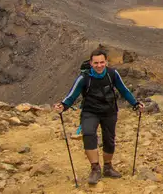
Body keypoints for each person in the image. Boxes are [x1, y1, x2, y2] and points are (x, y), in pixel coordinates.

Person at [53, 49, 144, 185]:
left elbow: (124, 90)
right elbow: (72, 95)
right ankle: (95, 168)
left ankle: (107, 167)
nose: (99, 65)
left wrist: (135, 103)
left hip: (109, 112)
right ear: (91, 63)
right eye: (96, 63)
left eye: (102, 62)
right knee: (89, 135)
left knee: (109, 140)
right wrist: (63, 106)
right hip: (90, 112)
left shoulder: (112, 74)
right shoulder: (84, 78)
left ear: (106, 62)